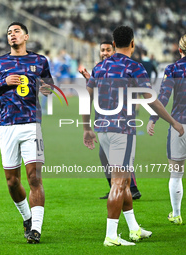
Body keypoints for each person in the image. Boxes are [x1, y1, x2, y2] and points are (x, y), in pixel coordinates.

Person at [83, 25, 184, 246]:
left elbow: (86, 97)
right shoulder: (134, 67)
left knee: (125, 181)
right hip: (123, 131)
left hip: (103, 131)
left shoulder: (100, 67)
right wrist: (173, 121)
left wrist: (85, 128)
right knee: (120, 183)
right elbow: (151, 100)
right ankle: (111, 235)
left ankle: (134, 228)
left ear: (113, 42)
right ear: (132, 43)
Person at [0, 22, 52, 244]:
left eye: (16, 32)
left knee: (34, 177)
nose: (12, 35)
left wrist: (45, 88)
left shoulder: (40, 61)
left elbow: (49, 88)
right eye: (9, 33)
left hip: (32, 124)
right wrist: (3, 83)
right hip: (7, 126)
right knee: (12, 182)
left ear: (26, 36)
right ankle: (27, 218)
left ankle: (37, 229)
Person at [79, 41, 141, 200]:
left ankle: (130, 188)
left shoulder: (121, 68)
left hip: (120, 123)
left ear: (115, 50)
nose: (105, 52)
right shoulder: (100, 69)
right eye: (102, 50)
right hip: (105, 123)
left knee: (119, 159)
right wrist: (89, 80)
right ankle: (117, 187)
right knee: (104, 156)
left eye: (108, 50)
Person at [147, 34, 186, 225]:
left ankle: (177, 214)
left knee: (176, 173)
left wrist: (153, 118)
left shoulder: (173, 69)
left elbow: (163, 97)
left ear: (179, 50)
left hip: (180, 126)